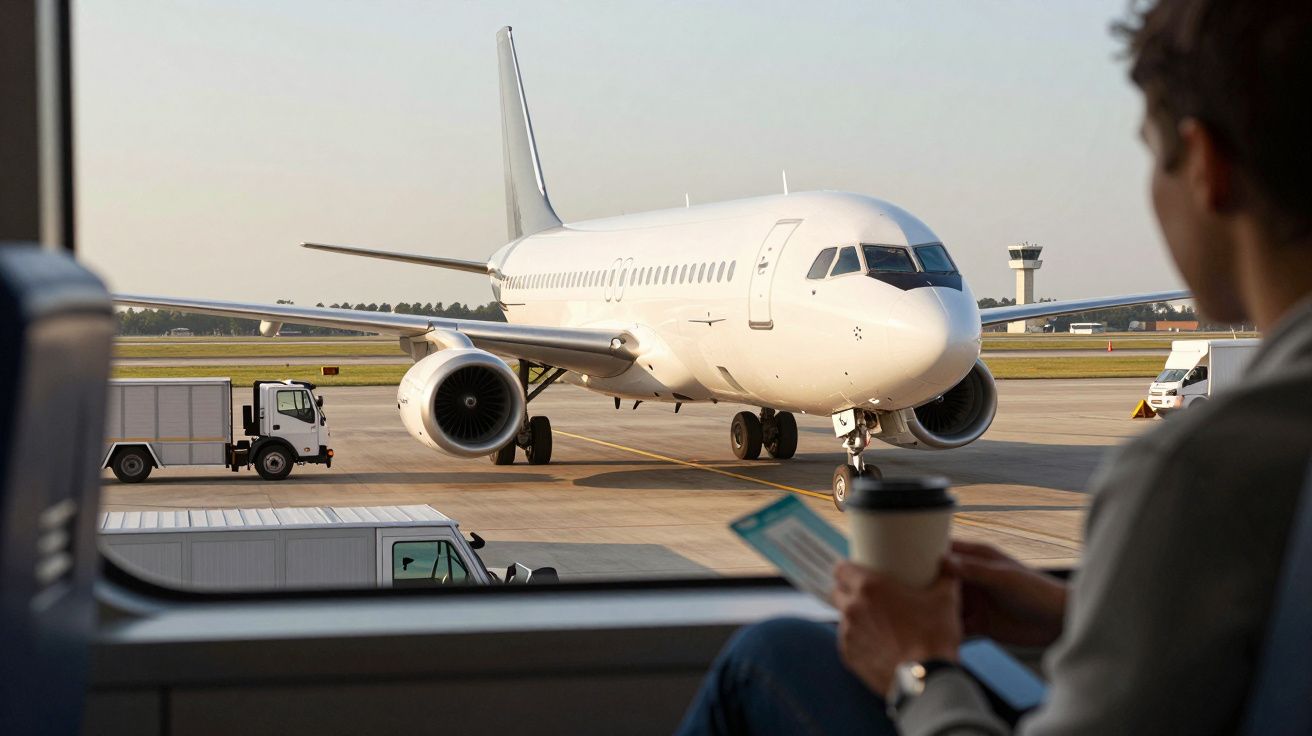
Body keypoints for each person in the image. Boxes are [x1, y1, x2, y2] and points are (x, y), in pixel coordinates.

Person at [677, 0, 1312, 732]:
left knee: (769, 655)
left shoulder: (1199, 473)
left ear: (1206, 167)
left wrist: (919, 667)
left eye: (1151, 155)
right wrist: (1075, 614)